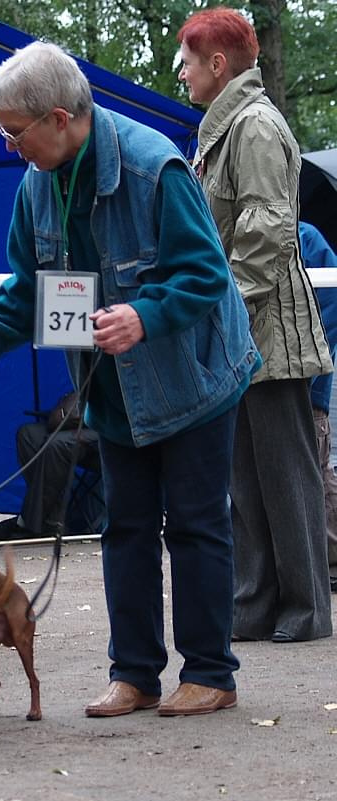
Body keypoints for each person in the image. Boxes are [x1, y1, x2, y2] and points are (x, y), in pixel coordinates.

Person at [0, 41, 261, 718]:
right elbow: (28, 292)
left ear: (57, 118)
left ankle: (211, 673)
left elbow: (206, 274)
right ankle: (134, 673)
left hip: (192, 377)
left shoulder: (151, 167)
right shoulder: (35, 186)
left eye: (13, 132)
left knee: (196, 526)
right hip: (112, 389)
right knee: (124, 526)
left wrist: (145, 313)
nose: (8, 146)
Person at [177, 7, 333, 643]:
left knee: (286, 478)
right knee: (244, 477)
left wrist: (223, 307)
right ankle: (255, 604)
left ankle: (304, 609)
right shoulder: (229, 125)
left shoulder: (256, 126)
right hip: (241, 333)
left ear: (218, 65)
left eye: (188, 61)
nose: (179, 72)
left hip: (267, 333)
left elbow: (266, 228)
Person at [0, 392, 102, 539]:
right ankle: (50, 520)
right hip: (87, 417)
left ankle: (27, 522)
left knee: (56, 444)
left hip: (111, 431)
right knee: (29, 435)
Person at [299, 221, 337, 592]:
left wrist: (308, 351)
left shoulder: (307, 238)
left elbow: (332, 303)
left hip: (310, 385)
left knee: (317, 471)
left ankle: (330, 559)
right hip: (302, 380)